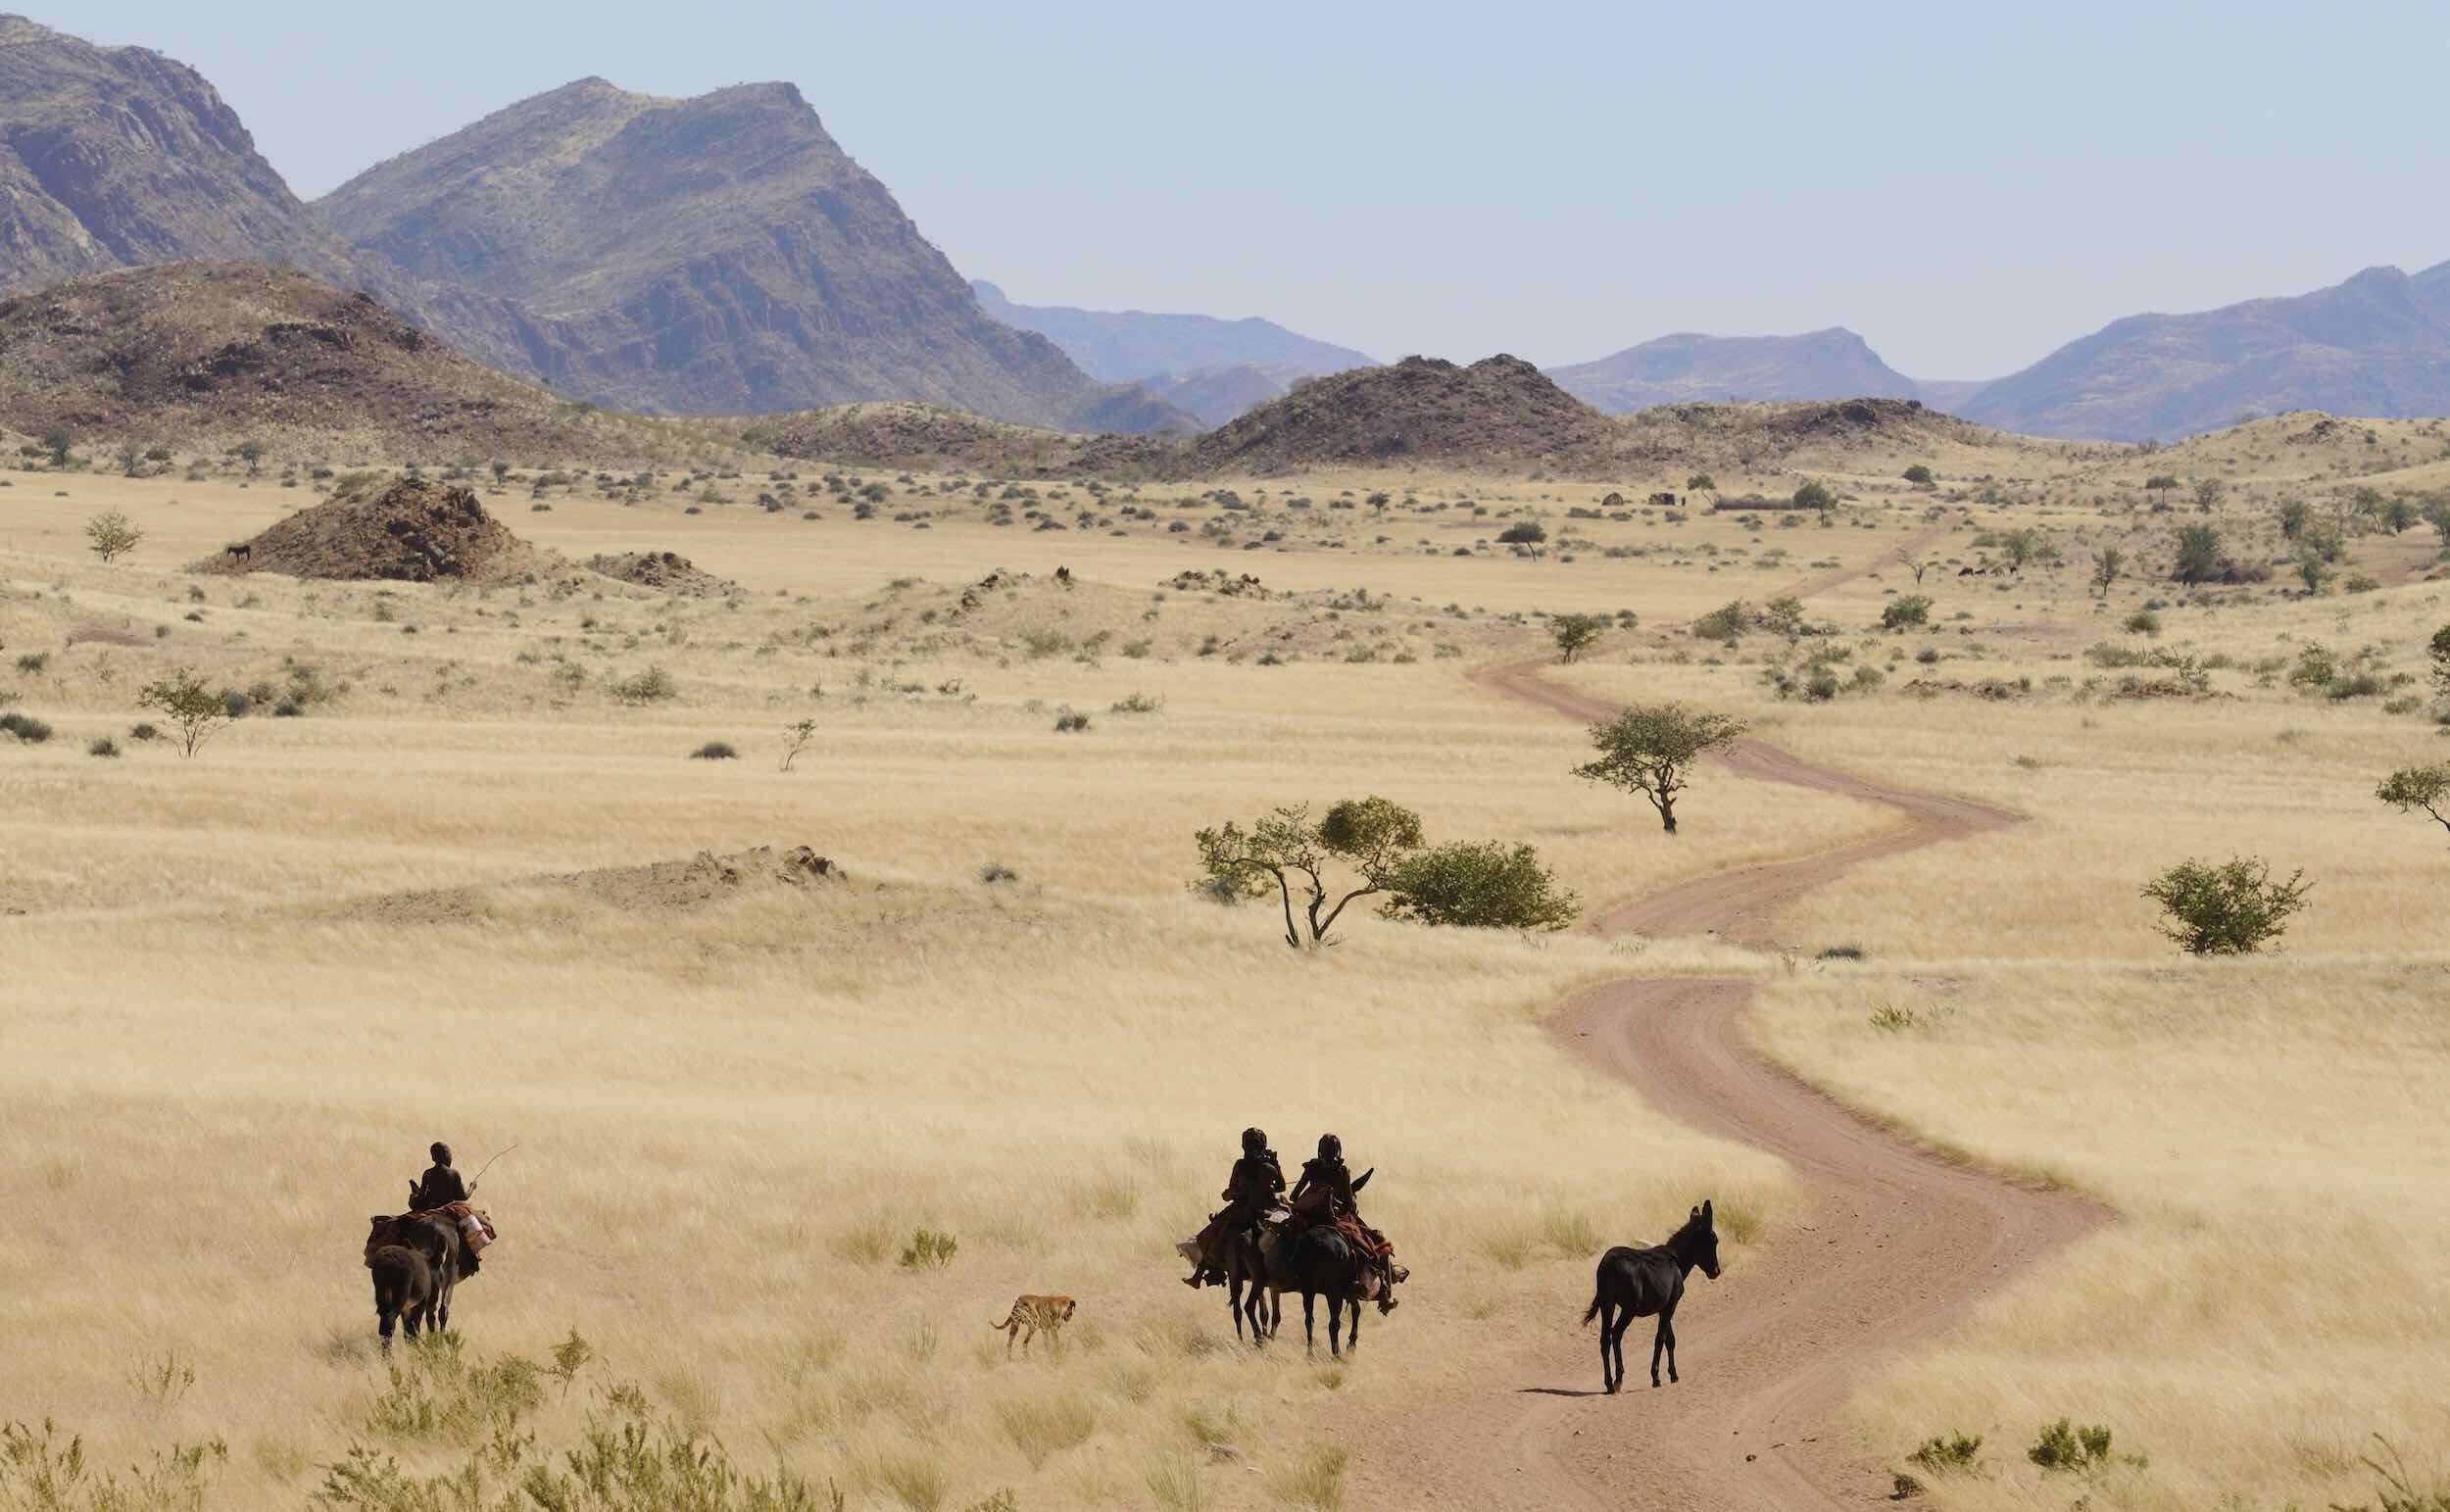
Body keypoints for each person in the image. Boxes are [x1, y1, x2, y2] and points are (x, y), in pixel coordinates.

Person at [1290, 1133, 1395, 1298]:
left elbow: (1293, 1197)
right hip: (1334, 1219)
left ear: (1320, 1150)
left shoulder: (1311, 1168)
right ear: (1338, 1151)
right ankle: (1382, 1288)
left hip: (1308, 1218)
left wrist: (1310, 1198)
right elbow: (1349, 1204)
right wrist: (1342, 1206)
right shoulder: (1342, 1171)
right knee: (1370, 1241)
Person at [1184, 1128, 1286, 1287]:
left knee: (1213, 1232)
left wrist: (1228, 1194)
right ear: (1263, 1145)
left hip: (1242, 1211)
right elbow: (1281, 1187)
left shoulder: (1240, 1165)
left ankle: (1201, 1274)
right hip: (1267, 1211)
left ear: (1244, 1146)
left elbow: (1230, 1191)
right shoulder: (1269, 1167)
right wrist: (1275, 1165)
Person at [412, 1142, 467, 1213]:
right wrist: (472, 1187)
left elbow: (421, 1197)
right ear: (447, 1155)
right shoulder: (454, 1173)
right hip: (450, 1209)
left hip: (431, 1208)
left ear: (433, 1158)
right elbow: (463, 1197)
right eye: (450, 1154)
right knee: (474, 1221)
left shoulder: (427, 1173)